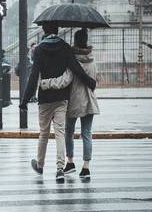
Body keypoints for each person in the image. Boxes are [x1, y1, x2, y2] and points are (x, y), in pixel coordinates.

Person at [19, 22, 96, 181]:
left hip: (45, 98)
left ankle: (40, 166)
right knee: (60, 132)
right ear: (58, 30)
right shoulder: (65, 47)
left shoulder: (39, 49)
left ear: (45, 31)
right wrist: (89, 81)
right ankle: (60, 168)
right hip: (62, 98)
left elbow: (34, 76)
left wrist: (25, 100)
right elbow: (76, 68)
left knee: (44, 133)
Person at [40, 29, 100, 179]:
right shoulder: (92, 58)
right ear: (86, 40)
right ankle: (86, 167)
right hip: (90, 101)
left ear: (75, 41)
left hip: (74, 100)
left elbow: (65, 79)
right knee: (87, 134)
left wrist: (46, 83)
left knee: (68, 133)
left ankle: (70, 162)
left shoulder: (73, 60)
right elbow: (95, 78)